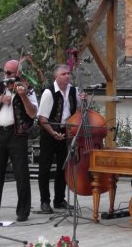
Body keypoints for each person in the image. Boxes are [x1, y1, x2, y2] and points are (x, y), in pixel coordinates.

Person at [0, 59, 38, 222]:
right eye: (5, 72)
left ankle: (23, 211)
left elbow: (32, 114)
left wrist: (23, 96)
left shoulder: (28, 88)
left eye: (10, 73)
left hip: (17, 134)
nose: (6, 75)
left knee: (21, 173)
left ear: (18, 73)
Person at [37, 64, 86, 213]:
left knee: (63, 167)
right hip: (49, 132)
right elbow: (42, 118)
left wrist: (83, 100)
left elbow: (80, 111)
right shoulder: (48, 92)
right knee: (45, 167)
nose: (67, 76)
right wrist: (53, 132)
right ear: (56, 77)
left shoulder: (74, 91)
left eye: (68, 73)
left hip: (66, 131)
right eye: (64, 74)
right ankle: (45, 201)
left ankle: (59, 199)